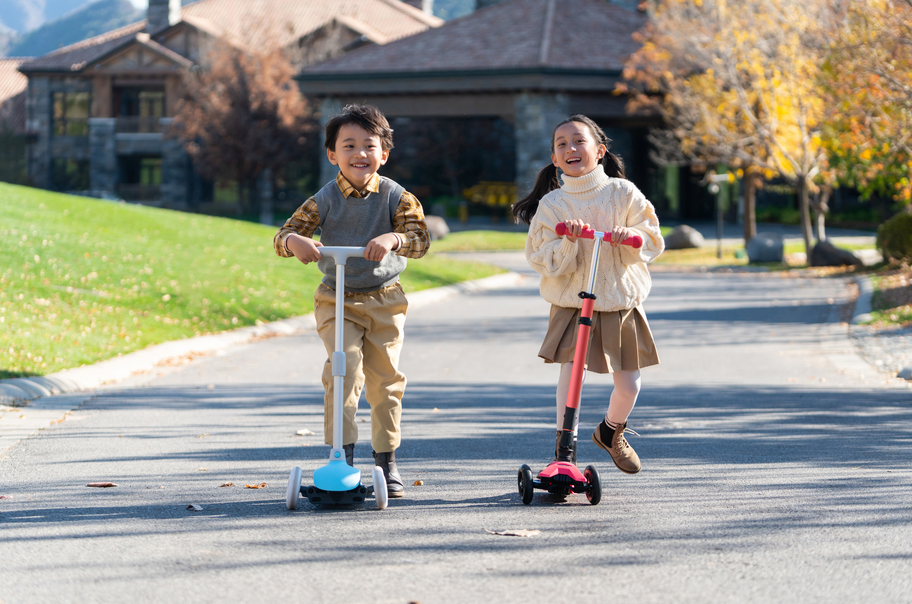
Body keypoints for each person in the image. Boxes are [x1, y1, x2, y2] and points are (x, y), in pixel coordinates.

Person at [274, 104, 430, 498]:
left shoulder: (397, 196)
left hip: (385, 299)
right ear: (333, 155)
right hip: (336, 297)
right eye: (349, 146)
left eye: (369, 146)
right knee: (343, 372)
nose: (359, 154)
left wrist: (394, 239)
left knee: (385, 381)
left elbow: (420, 238)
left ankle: (386, 461)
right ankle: (339, 457)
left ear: (384, 154)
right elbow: (285, 234)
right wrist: (296, 241)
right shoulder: (323, 199)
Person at [513, 114, 664, 475]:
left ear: (599, 150)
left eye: (579, 141)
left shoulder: (622, 193)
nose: (570, 148)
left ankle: (611, 431)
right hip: (572, 303)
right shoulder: (552, 205)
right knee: (571, 376)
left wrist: (631, 237)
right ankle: (564, 452)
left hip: (619, 301)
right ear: (554, 158)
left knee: (629, 385)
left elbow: (652, 236)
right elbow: (539, 255)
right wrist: (567, 240)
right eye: (561, 144)